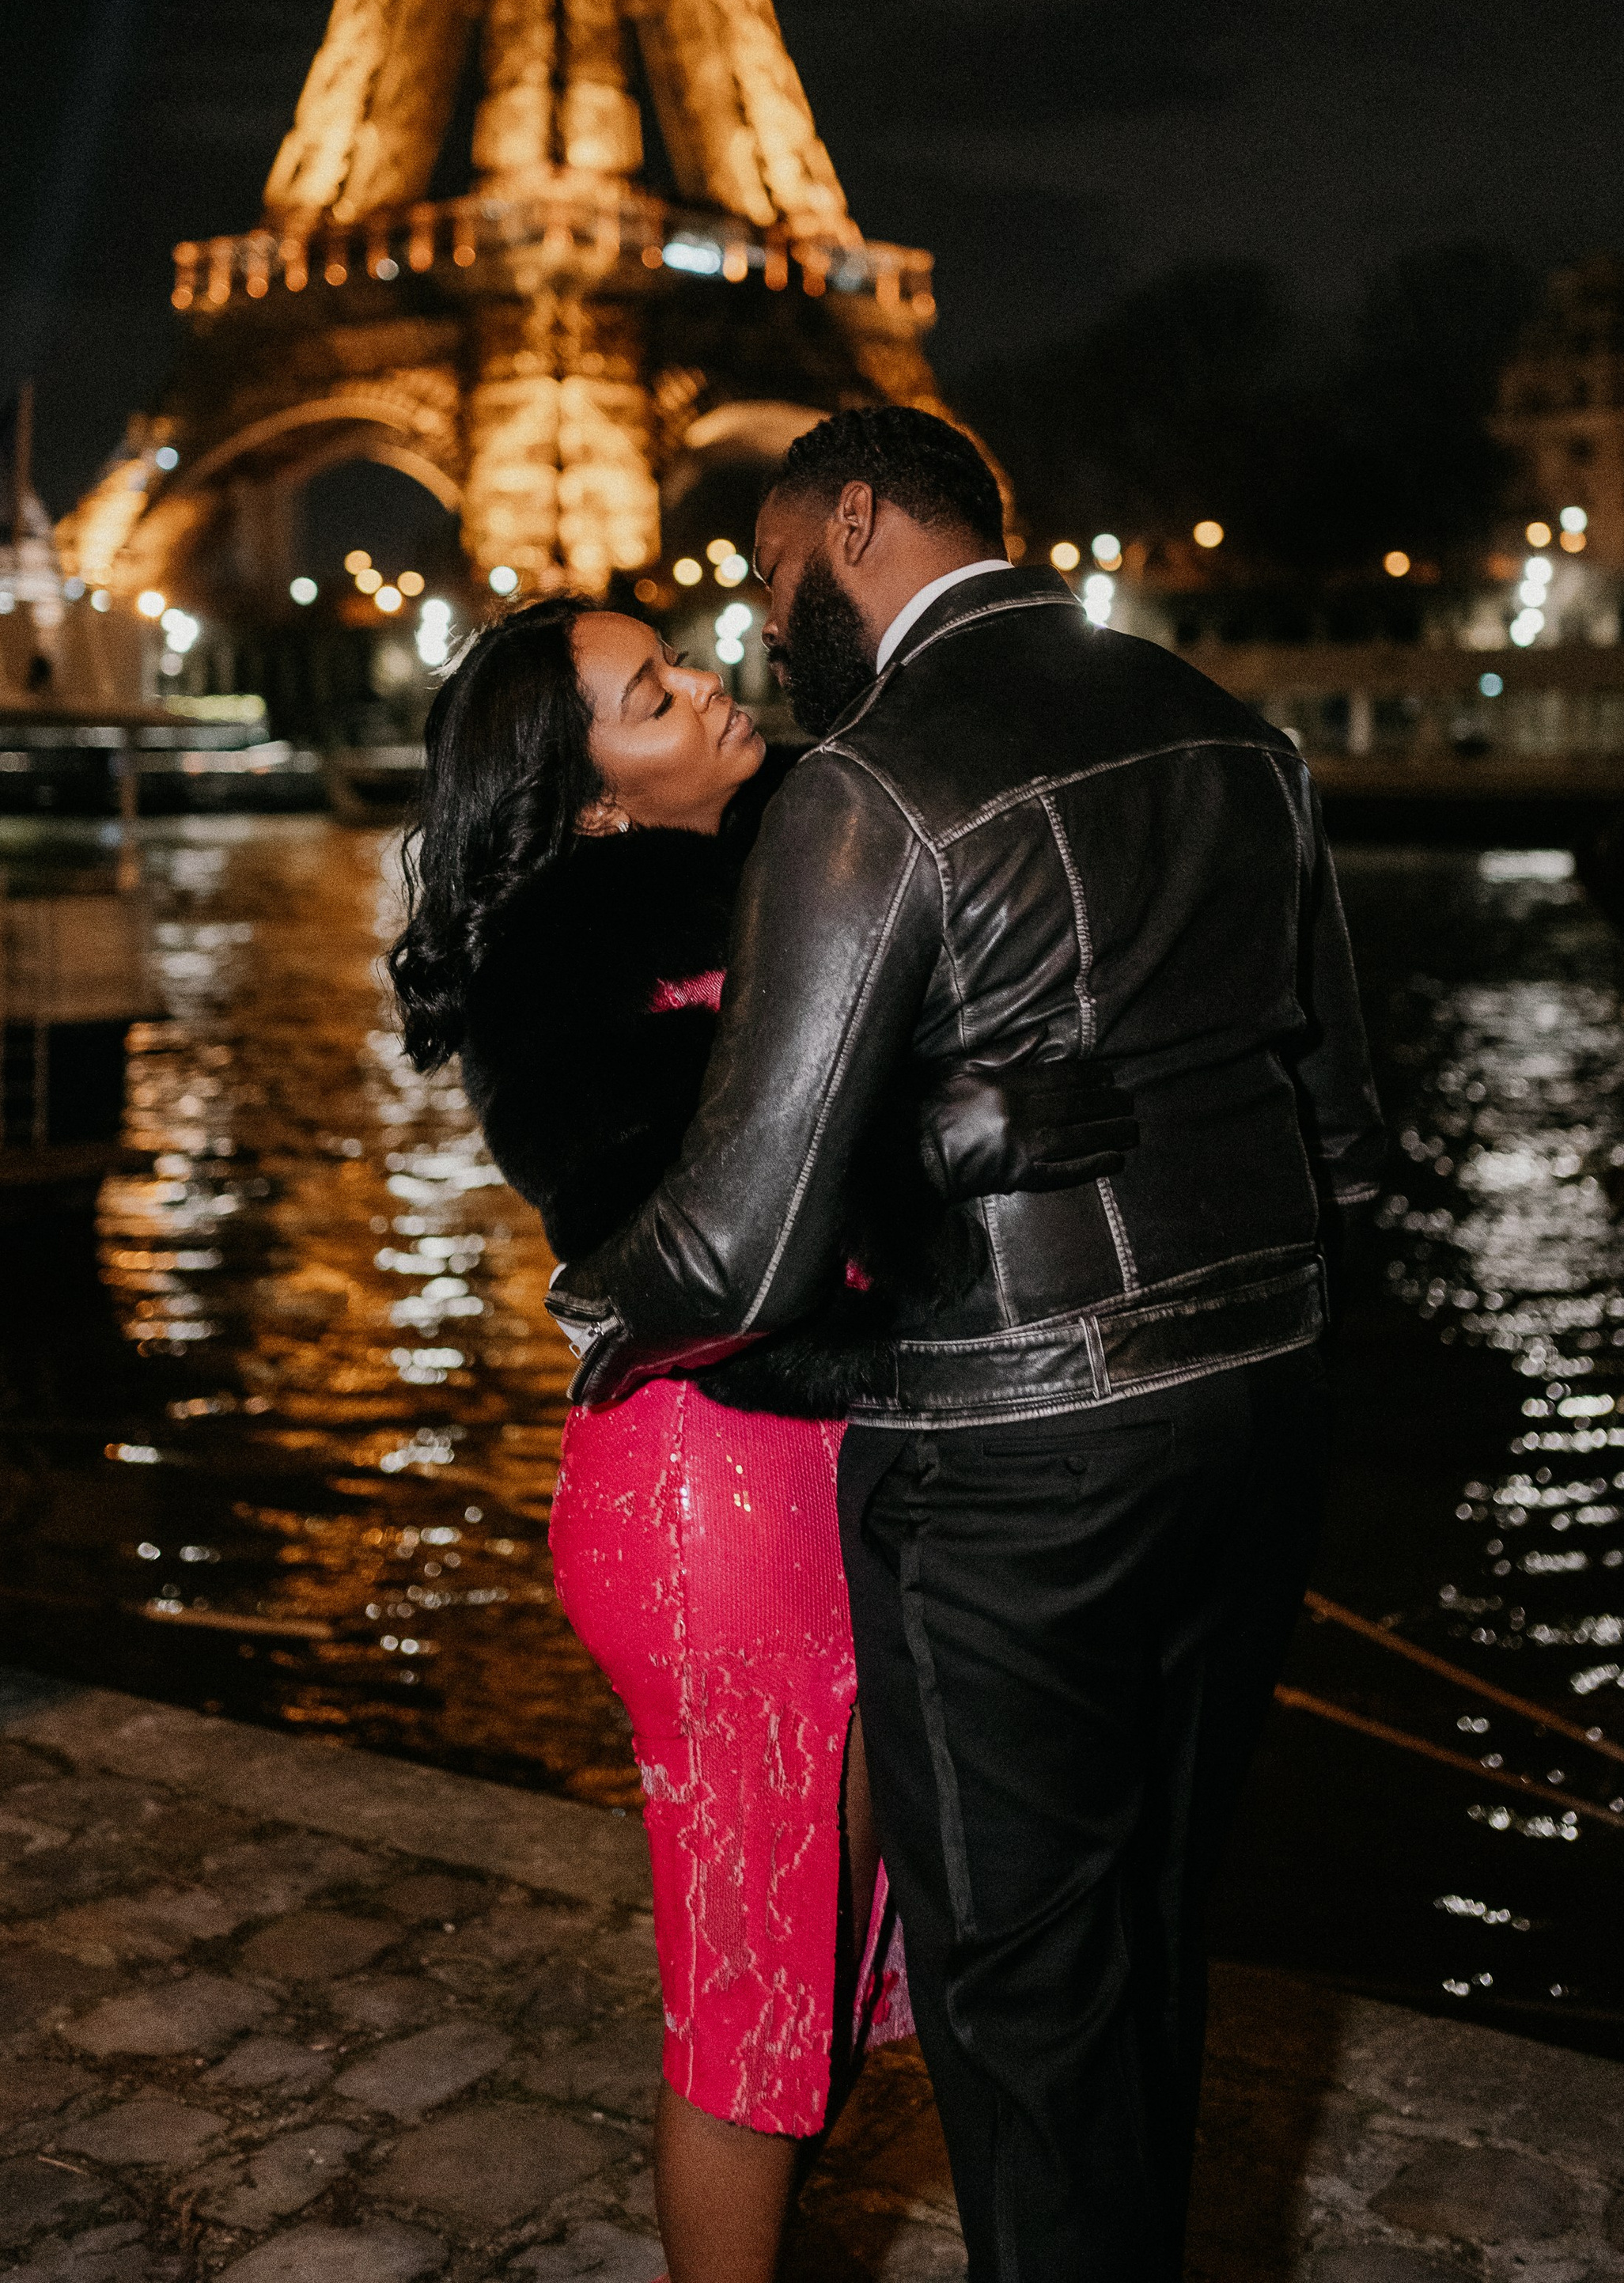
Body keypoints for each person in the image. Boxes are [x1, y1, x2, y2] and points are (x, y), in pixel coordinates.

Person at [551, 405, 1384, 2283]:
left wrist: (597, 1305)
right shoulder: (1231, 734)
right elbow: (1341, 1135)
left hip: (1014, 1465)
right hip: (1253, 1415)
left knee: (1023, 2005)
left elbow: (741, 1234)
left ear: (854, 524)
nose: (770, 628)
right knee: (1153, 1941)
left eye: (777, 577)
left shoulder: (871, 784)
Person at [385, 594, 1119, 2283]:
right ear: (588, 804)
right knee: (751, 2020)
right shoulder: (564, 969)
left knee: (820, 1981)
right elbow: (698, 1214)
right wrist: (944, 1134)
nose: (706, 684)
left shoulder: (781, 869)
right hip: (711, 1496)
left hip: (808, 1469)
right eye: (651, 694)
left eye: (680, 660)